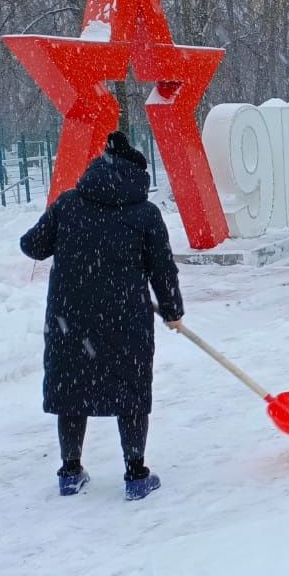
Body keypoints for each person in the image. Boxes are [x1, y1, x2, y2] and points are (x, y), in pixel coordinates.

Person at [20, 131, 180, 501]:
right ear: (138, 175)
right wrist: (172, 311)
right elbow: (162, 269)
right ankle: (136, 474)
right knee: (131, 390)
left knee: (73, 390)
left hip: (70, 318)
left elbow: (32, 245)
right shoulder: (144, 214)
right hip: (126, 319)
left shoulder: (69, 204)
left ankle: (70, 471)